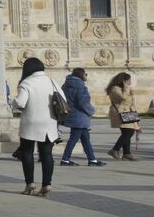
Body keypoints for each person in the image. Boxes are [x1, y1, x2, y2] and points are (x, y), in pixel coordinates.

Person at [11, 57, 64, 197]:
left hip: (31, 123)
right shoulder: (52, 82)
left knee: (27, 153)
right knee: (47, 154)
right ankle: (47, 184)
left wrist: (13, 103)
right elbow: (63, 99)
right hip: (49, 123)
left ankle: (30, 183)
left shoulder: (26, 83)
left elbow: (21, 103)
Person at [59, 68, 104, 167]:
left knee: (85, 138)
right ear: (81, 75)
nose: (86, 76)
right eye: (85, 74)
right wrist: (91, 111)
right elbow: (83, 102)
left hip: (72, 114)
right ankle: (65, 159)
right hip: (80, 116)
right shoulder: (80, 86)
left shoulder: (66, 85)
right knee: (74, 138)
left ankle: (92, 159)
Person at [108, 72, 139, 160]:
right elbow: (123, 98)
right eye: (129, 80)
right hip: (120, 113)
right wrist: (126, 88)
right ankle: (114, 150)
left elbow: (132, 102)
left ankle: (126, 154)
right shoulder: (114, 89)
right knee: (129, 132)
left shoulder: (127, 88)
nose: (130, 82)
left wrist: (135, 118)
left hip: (128, 113)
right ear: (123, 81)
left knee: (126, 133)